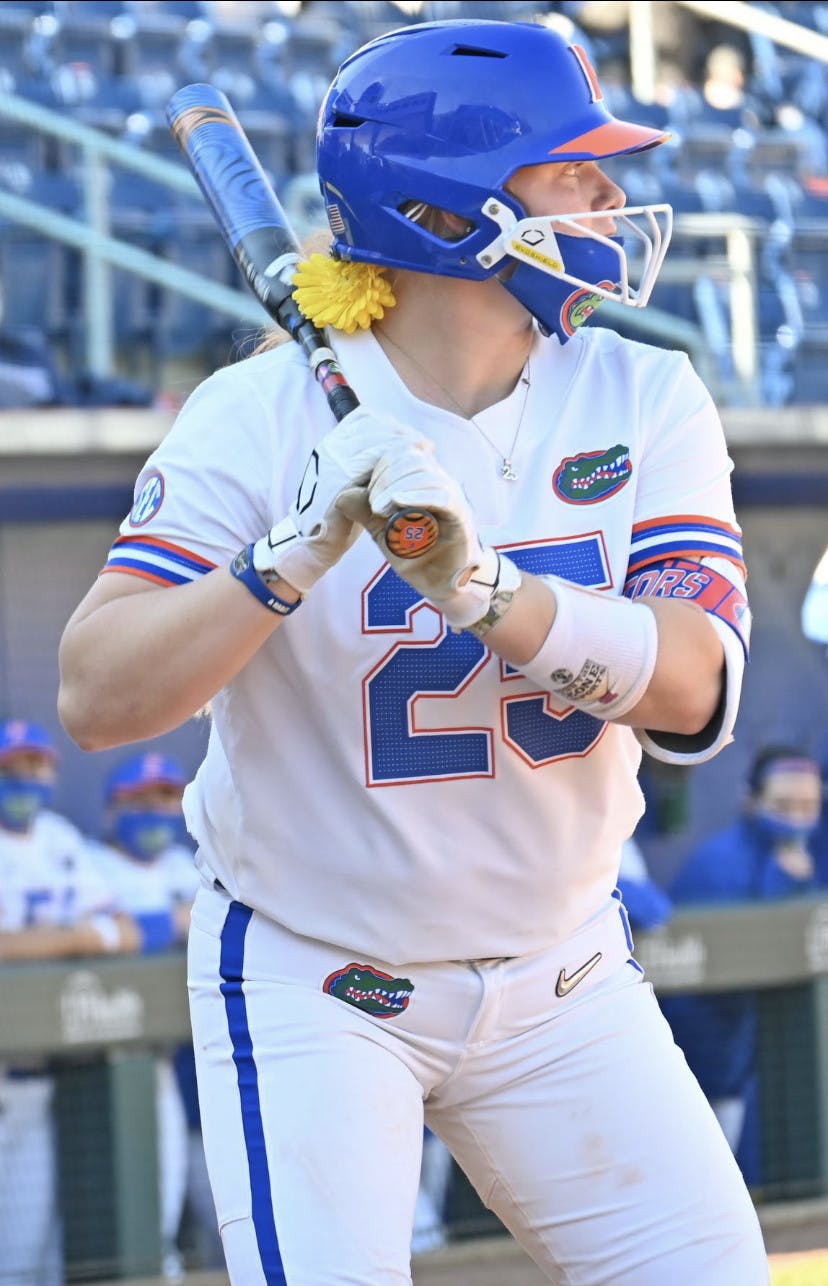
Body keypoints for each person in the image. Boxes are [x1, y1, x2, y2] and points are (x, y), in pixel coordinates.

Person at [58, 19, 767, 1285]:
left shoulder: (645, 396)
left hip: (564, 972)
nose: (611, 198)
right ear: (446, 215)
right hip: (320, 973)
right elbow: (97, 694)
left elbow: (692, 686)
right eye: (574, 170)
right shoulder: (259, 416)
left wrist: (491, 593)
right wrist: (290, 554)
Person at [0, 718, 139, 1286]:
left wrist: (70, 938)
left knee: (31, 1253)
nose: (24, 778)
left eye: (35, 766)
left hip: (36, 1081)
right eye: (11, 768)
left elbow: (126, 931)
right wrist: (76, 937)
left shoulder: (58, 838)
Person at [660, 745, 823, 1169]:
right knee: (702, 1174)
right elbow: (724, 972)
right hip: (705, 1067)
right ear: (751, 800)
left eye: (808, 806)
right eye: (783, 806)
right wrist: (780, 885)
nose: (797, 818)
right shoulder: (719, 863)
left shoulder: (801, 857)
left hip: (757, 1063)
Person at [87, 751, 203, 1280]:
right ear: (113, 809)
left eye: (164, 799)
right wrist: (173, 922)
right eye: (142, 800)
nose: (156, 812)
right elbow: (110, 935)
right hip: (100, 1061)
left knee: (172, 1206)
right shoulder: (90, 861)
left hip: (175, 1057)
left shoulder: (185, 863)